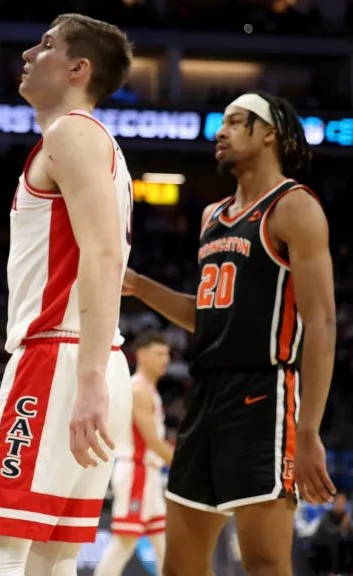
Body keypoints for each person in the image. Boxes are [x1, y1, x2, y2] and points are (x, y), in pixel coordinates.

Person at [123, 91, 336, 576]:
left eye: (237, 123)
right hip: (206, 395)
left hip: (264, 394)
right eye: (222, 122)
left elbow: (321, 321)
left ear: (269, 135)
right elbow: (205, 316)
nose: (221, 131)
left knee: (263, 563)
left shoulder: (293, 207)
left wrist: (308, 430)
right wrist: (139, 286)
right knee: (181, 566)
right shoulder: (211, 217)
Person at [0, 14, 136, 576]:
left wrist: (84, 381)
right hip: (92, 357)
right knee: (48, 560)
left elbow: (103, 255)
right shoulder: (99, 143)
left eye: (46, 46)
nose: (28, 54)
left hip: (61, 357)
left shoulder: (71, 135)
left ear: (78, 68)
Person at [94, 331, 174, 576]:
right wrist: (185, 467)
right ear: (141, 355)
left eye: (168, 354)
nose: (166, 359)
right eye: (159, 353)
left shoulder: (148, 389)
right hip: (136, 472)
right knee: (123, 544)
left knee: (165, 547)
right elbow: (151, 440)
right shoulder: (138, 390)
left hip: (147, 474)